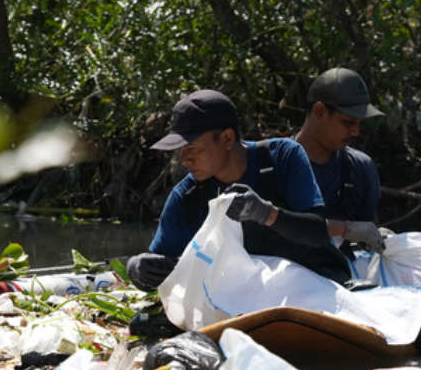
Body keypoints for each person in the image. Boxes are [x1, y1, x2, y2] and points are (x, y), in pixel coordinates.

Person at [127, 89, 383, 291]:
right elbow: (165, 264)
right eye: (180, 151)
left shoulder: (283, 157)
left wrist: (266, 214)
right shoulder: (187, 195)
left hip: (311, 283)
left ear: (227, 138)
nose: (185, 159)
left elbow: (317, 232)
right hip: (242, 297)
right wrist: (138, 269)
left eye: (192, 148)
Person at [295, 67, 382, 224]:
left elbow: (369, 237)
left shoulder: (361, 168)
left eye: (359, 123)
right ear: (319, 111)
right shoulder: (275, 165)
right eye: (348, 122)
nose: (356, 132)